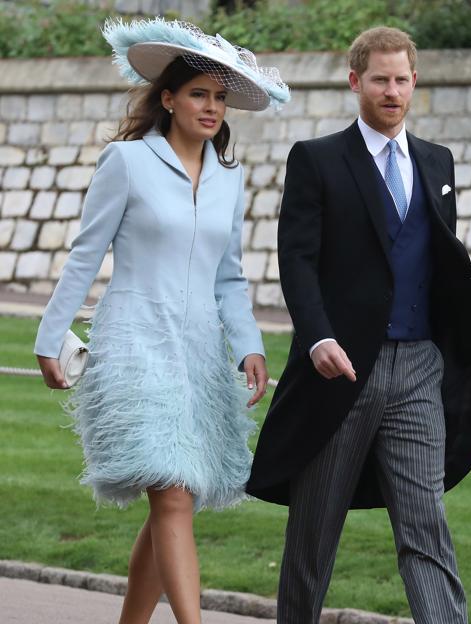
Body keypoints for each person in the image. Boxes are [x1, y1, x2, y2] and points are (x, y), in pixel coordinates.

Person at [34, 18, 289, 624]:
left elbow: (230, 276)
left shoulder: (231, 178)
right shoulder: (125, 162)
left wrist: (248, 345)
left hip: (201, 352)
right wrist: (50, 337)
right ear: (168, 98)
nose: (211, 106)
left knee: (178, 498)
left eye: (220, 97)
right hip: (133, 344)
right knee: (171, 495)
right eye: (198, 93)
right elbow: (84, 256)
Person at [247, 26, 471, 623]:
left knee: (425, 527)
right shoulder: (317, 159)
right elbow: (297, 260)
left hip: (418, 369)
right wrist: (318, 336)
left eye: (402, 79)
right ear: (355, 80)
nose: (392, 91)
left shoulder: (438, 162)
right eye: (381, 79)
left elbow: (436, 260)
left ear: (416, 82)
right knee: (314, 534)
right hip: (340, 371)